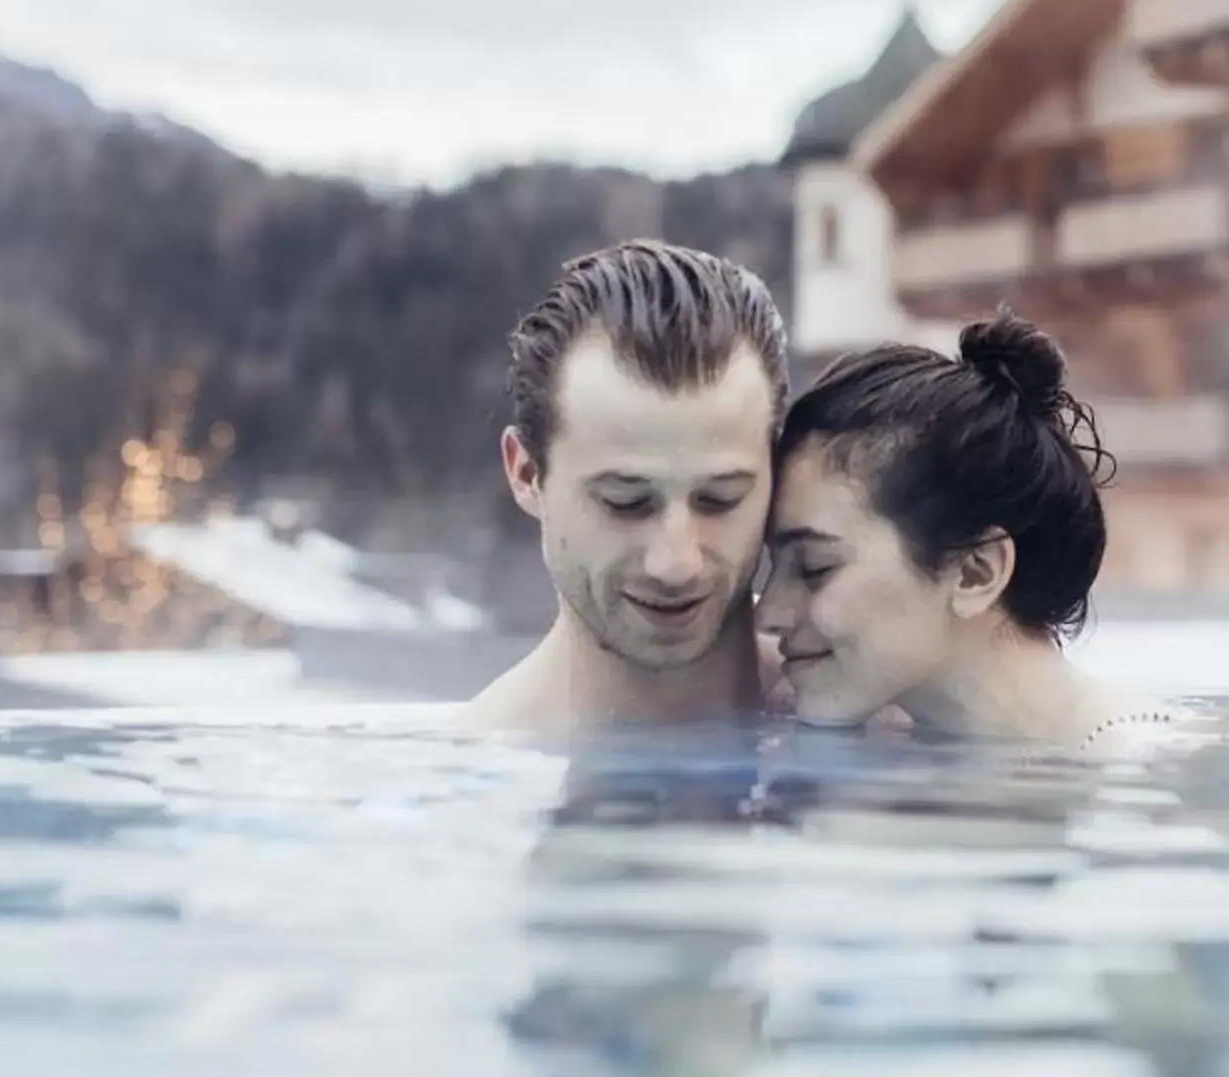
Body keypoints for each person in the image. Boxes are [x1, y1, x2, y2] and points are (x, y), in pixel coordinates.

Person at [756, 311, 1178, 752]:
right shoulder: (894, 746)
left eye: (813, 567)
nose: (768, 613)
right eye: (770, 567)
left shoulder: (1140, 770)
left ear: (975, 572)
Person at [462, 239, 787, 736]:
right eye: (627, 503)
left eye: (719, 500)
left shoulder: (890, 712)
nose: (677, 564)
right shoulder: (476, 766)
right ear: (528, 474)